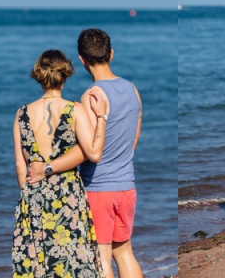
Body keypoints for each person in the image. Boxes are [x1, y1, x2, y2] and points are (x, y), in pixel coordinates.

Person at [27, 29, 143, 278]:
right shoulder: (132, 89)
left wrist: (48, 168)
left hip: (99, 188)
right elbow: (134, 136)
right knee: (124, 252)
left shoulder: (91, 96)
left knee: (101, 257)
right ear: (111, 54)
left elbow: (88, 151)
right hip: (127, 186)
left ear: (81, 60)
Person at [12, 49, 106, 277]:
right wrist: (102, 116)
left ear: (40, 77)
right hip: (67, 198)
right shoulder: (76, 110)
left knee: (38, 265)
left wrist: (29, 197)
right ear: (65, 77)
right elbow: (93, 152)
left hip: (33, 198)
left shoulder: (21, 113)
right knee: (72, 263)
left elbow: (19, 165)